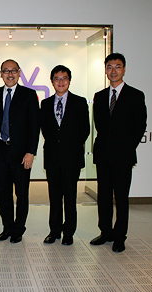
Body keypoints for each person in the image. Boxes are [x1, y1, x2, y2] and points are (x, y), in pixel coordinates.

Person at [90, 53, 147, 252]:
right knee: (104, 196)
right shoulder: (100, 96)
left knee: (121, 197)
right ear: (105, 70)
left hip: (123, 156)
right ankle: (105, 232)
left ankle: (120, 236)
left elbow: (140, 126)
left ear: (124, 69)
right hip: (103, 154)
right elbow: (100, 125)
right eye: (109, 67)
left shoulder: (135, 95)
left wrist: (126, 147)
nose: (113, 71)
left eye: (117, 66)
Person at [0, 59, 40, 243]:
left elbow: (34, 126)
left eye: (13, 71)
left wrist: (31, 152)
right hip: (0, 152)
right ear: (0, 74)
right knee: (2, 192)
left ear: (19, 73)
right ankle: (7, 227)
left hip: (21, 153)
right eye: (6, 71)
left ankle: (19, 228)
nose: (10, 74)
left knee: (22, 193)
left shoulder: (29, 95)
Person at [40, 65, 90, 246]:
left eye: (64, 78)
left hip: (72, 157)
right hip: (53, 157)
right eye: (57, 79)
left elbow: (85, 130)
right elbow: (46, 130)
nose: (60, 82)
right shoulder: (45, 104)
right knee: (54, 197)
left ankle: (68, 232)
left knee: (70, 196)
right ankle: (54, 231)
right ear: (52, 81)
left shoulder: (79, 102)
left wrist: (69, 146)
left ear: (69, 80)